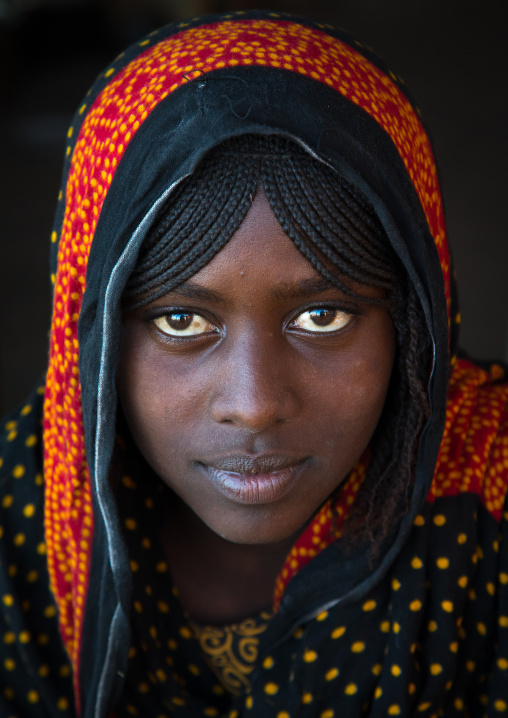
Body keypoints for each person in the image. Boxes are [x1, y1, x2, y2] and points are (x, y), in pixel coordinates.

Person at [1, 10, 507, 718]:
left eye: (321, 316)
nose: (255, 402)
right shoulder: (23, 521)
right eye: (182, 321)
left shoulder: (489, 497)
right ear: (95, 336)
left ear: (413, 319)